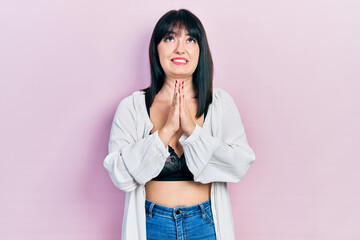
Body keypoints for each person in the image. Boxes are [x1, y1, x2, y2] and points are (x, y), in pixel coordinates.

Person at [103, 9, 255, 240]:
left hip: (205, 225)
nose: (180, 49)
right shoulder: (132, 107)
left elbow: (239, 164)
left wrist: (192, 131)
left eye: (190, 39)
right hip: (152, 224)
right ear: (156, 48)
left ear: (200, 50)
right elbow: (120, 175)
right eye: (170, 38)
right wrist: (165, 132)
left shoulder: (220, 103)